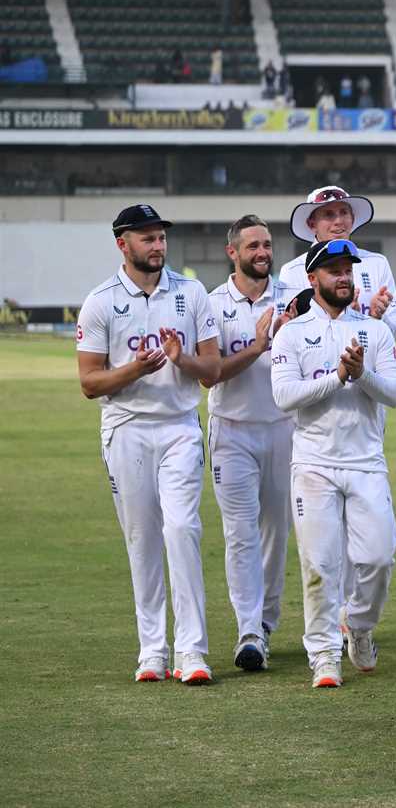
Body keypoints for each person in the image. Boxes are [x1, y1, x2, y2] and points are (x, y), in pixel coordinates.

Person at [76, 204, 221, 684]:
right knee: (142, 541)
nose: (157, 246)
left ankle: (193, 652)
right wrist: (134, 371)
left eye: (160, 237)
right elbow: (90, 382)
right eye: (147, 239)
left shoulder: (192, 292)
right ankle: (152, 651)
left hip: (179, 426)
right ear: (123, 244)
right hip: (126, 429)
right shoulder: (100, 301)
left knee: (182, 529)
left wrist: (182, 361)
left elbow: (213, 372)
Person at [270, 238, 396, 689]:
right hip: (314, 463)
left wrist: (362, 374)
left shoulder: (375, 331)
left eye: (348, 270)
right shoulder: (291, 334)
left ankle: (359, 626)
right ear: (313, 279)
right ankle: (324, 654)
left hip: (366, 460)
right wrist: (338, 378)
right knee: (320, 565)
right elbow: (285, 398)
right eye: (334, 270)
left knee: (380, 558)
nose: (344, 277)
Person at [203, 215, 299, 671]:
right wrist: (260, 345)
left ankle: (265, 624)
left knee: (275, 534)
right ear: (233, 253)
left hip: (284, 428)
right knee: (239, 534)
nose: (263, 253)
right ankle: (248, 632)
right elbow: (211, 374)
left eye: (267, 244)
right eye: (253, 246)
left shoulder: (293, 300)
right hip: (232, 431)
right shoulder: (210, 304)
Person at [279, 186, 396, 341]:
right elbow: (287, 336)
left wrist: (376, 317)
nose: (338, 221)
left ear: (353, 219)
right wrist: (345, 318)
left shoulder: (378, 263)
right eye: (328, 214)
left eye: (344, 212)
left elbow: (394, 334)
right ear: (312, 224)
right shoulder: (291, 271)